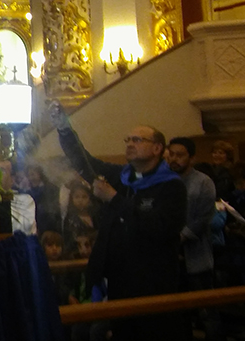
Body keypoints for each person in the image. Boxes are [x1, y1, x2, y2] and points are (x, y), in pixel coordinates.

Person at [51, 102, 187, 341]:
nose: (130, 144)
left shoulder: (171, 186)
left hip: (153, 279)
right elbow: (84, 161)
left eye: (138, 140)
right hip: (119, 278)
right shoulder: (121, 176)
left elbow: (161, 227)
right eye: (128, 140)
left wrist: (114, 199)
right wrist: (64, 128)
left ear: (157, 148)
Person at [167, 137, 222, 341]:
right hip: (171, 259)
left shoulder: (203, 182)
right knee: (178, 312)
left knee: (207, 311)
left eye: (180, 155)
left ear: (192, 158)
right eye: (171, 154)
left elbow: (203, 217)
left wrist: (180, 237)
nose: (174, 159)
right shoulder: (165, 181)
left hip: (196, 256)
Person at [26, 163, 62, 234]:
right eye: (29, 175)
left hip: (49, 223)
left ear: (39, 174)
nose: (30, 178)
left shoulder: (51, 188)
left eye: (32, 174)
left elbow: (53, 208)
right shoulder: (28, 191)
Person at [62, 179, 98, 245]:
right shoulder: (70, 219)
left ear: (89, 199)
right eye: (77, 197)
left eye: (84, 197)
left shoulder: (96, 217)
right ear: (72, 199)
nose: (80, 200)